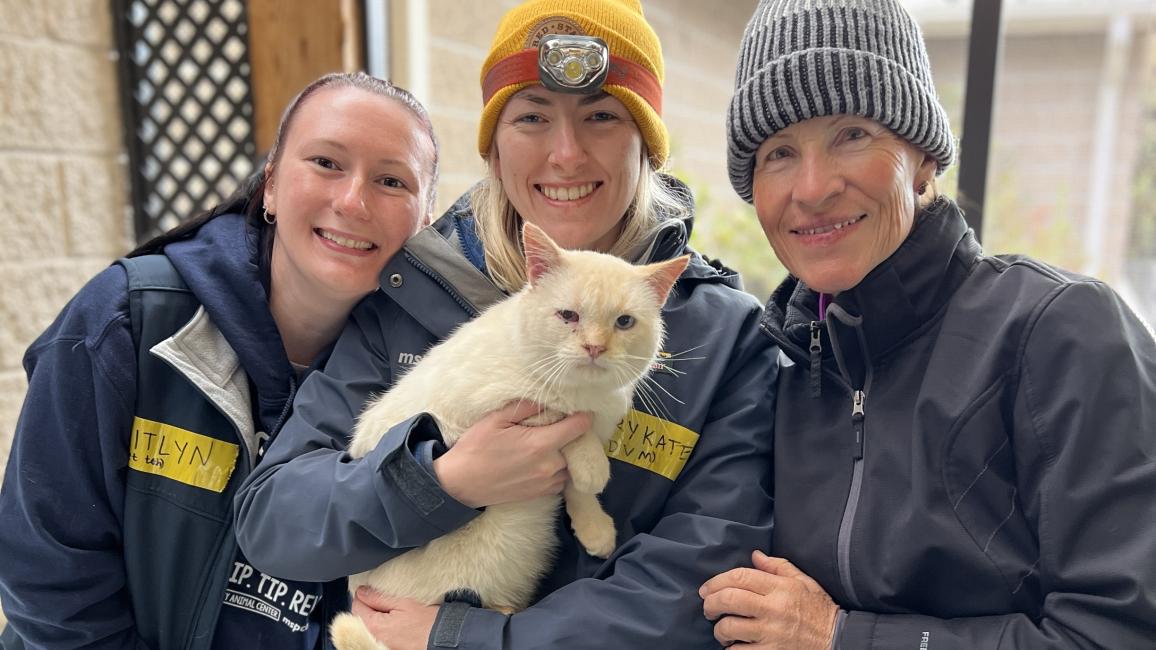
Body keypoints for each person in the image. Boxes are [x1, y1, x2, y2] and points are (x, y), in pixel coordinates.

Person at [233, 0, 777, 648]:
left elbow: (705, 580)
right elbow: (275, 521)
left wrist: (466, 638)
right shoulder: (411, 297)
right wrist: (437, 482)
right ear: (493, 147)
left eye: (602, 116)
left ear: (648, 145)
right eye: (532, 117)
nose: (566, 155)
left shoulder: (723, 339)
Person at [700, 0, 1156, 647]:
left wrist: (840, 637)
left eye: (851, 135)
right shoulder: (777, 366)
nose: (811, 187)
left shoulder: (1062, 333)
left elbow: (1120, 635)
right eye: (777, 152)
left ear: (921, 157)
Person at [0, 72, 439, 649]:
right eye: (327, 163)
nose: (353, 201)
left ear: (424, 223)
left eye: (391, 180)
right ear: (272, 186)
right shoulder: (126, 321)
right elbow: (47, 573)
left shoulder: (424, 379)